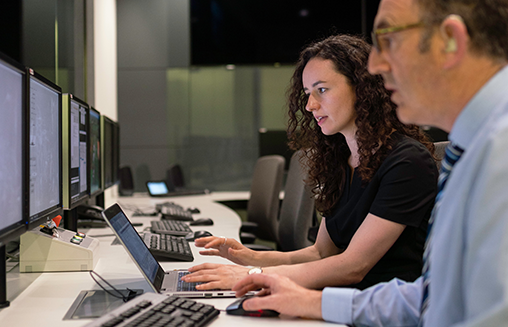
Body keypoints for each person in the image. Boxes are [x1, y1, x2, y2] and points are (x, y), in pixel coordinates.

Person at [231, 0, 508, 326]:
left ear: (450, 40)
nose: (375, 65)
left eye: (388, 40)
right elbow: (431, 297)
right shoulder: (476, 145)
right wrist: (311, 302)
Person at [181, 34, 438, 292]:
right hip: (336, 302)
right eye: (307, 93)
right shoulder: (339, 161)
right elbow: (320, 254)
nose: (310, 105)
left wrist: (251, 275)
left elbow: (354, 266)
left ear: (362, 88)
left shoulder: (407, 162)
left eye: (322, 90)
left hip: (379, 311)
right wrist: (248, 257)